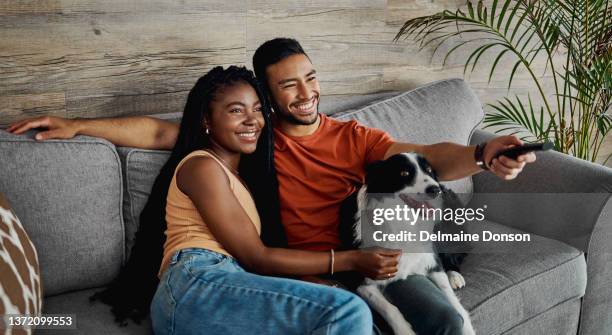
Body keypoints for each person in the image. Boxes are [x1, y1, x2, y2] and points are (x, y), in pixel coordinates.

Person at [7, 38, 536, 334]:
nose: (306, 94)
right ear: (270, 95)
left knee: (444, 319)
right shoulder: (250, 144)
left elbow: (426, 157)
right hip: (302, 271)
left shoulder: (352, 138)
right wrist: (78, 126)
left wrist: (481, 155)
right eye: (288, 85)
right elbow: (161, 131)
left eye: (310, 77)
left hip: (357, 264)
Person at [142, 65, 405, 334]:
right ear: (206, 121)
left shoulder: (241, 178)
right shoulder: (202, 167)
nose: (251, 120)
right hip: (195, 284)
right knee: (347, 309)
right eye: (236, 110)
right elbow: (257, 257)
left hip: (230, 281)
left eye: (257, 109)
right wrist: (351, 260)